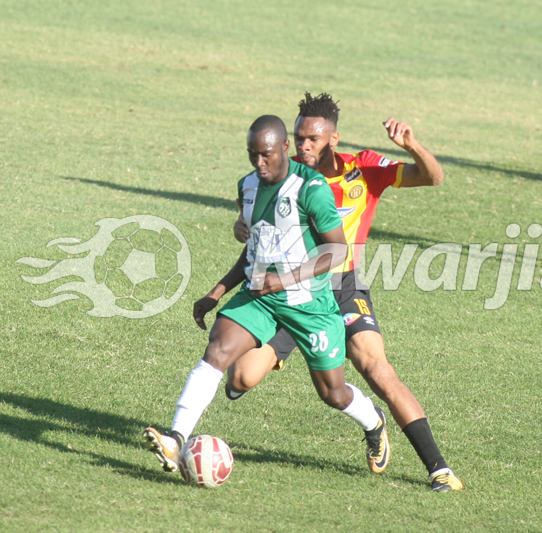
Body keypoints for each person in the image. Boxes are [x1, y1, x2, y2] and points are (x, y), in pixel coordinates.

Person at [227, 93, 463, 492]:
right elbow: (248, 214)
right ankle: (359, 407)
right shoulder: (281, 177)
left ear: (333, 139)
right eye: (298, 137)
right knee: (240, 379)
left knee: (376, 368)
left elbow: (433, 177)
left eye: (312, 139)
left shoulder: (363, 169)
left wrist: (413, 146)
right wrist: (240, 225)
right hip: (287, 289)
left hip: (340, 285)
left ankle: (439, 469)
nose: (303, 146)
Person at [142, 115, 389, 475]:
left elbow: (337, 251)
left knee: (333, 393)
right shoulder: (247, 187)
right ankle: (177, 438)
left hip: (311, 305)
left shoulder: (311, 188)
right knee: (218, 351)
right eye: (252, 155)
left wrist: (284, 279)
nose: (260, 164)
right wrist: (216, 292)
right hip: (260, 296)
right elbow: (253, 251)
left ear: (285, 148)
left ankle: (373, 422)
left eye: (267, 155)